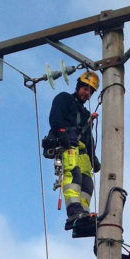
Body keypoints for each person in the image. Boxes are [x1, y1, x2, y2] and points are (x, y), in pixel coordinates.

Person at [47, 71, 101, 230]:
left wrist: (93, 158)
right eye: (85, 89)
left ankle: (84, 214)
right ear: (78, 87)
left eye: (90, 92)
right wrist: (62, 133)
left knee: (87, 183)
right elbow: (55, 117)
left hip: (83, 150)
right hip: (68, 145)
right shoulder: (64, 98)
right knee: (73, 175)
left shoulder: (85, 114)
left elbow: (88, 136)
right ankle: (73, 212)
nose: (87, 93)